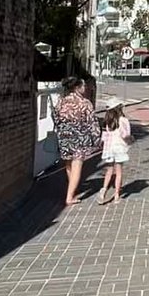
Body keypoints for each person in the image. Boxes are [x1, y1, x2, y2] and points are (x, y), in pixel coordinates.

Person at [52, 76, 101, 206]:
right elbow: (93, 123)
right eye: (83, 86)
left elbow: (55, 118)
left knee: (68, 164)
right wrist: (96, 139)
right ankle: (70, 196)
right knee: (77, 165)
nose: (85, 88)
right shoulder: (85, 103)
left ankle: (72, 188)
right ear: (77, 88)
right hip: (79, 137)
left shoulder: (61, 102)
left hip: (64, 136)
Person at [98, 98, 132, 204]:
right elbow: (125, 135)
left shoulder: (107, 122)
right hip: (119, 148)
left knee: (109, 171)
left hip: (109, 148)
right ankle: (117, 195)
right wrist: (131, 140)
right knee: (119, 172)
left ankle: (103, 191)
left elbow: (103, 137)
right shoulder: (123, 120)